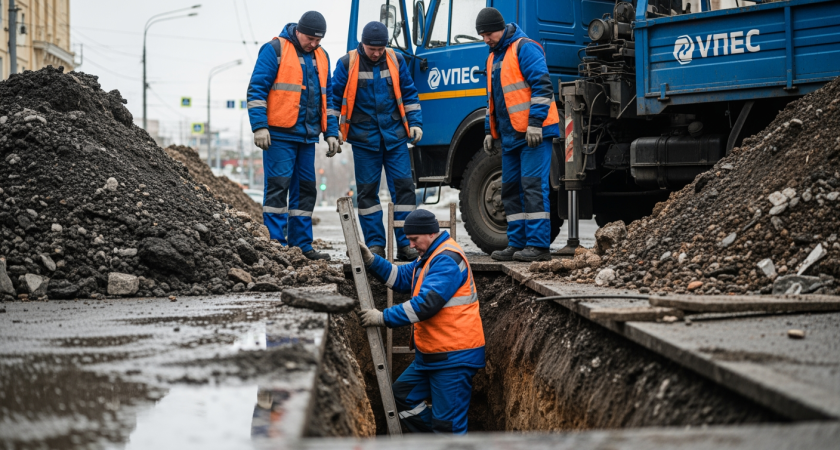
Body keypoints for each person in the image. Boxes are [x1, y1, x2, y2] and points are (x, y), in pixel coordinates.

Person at [358, 209, 485, 435]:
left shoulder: (447, 260)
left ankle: (442, 438)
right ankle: (434, 440)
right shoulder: (429, 258)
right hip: (433, 354)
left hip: (452, 357)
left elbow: (425, 305)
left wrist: (382, 317)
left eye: (414, 239)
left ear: (430, 234)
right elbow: (400, 277)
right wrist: (371, 261)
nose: (411, 244)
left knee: (448, 427)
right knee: (402, 396)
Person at [246, 11, 340, 261]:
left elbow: (328, 99)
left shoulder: (322, 56)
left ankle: (301, 246)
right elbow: (256, 89)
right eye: (310, 38)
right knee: (278, 188)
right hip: (279, 135)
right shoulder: (275, 49)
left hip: (307, 137)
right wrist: (259, 126)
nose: (314, 44)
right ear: (298, 31)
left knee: (306, 190)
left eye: (318, 40)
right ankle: (276, 245)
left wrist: (331, 132)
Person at [332, 21, 423, 261]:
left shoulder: (395, 59)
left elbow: (409, 92)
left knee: (404, 189)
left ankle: (407, 244)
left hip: (394, 138)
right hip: (364, 140)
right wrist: (334, 131)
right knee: (368, 193)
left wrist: (415, 123)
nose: (376, 53)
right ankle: (375, 245)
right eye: (372, 49)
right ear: (362, 44)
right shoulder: (346, 63)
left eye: (380, 48)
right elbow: (332, 100)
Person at [477, 8, 561, 262]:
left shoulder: (525, 48)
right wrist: (489, 131)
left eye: (488, 33)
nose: (485, 39)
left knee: (533, 187)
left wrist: (535, 123)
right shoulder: (493, 57)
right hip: (511, 136)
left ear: (500, 28)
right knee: (510, 189)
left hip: (533, 134)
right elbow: (494, 100)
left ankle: (538, 246)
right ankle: (517, 243)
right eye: (481, 35)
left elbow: (542, 86)